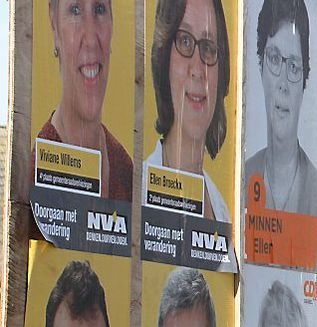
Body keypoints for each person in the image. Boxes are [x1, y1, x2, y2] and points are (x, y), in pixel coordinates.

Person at [36, 0, 132, 200]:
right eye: (75, 10)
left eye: (99, 9)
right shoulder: (35, 173)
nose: (90, 39)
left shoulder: (125, 169)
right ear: (54, 25)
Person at [147, 0, 231, 223]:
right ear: (164, 58)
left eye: (208, 48)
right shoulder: (136, 193)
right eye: (185, 41)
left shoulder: (222, 211)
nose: (198, 69)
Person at [244, 0, 317, 215]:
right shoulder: (240, 182)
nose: (283, 84)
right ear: (260, 66)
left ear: (305, 80)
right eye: (275, 59)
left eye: (294, 66)